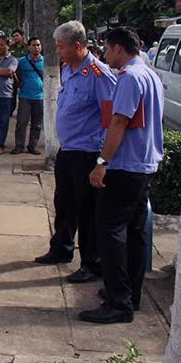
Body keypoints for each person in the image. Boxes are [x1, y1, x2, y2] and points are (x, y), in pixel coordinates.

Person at [79, 27, 164, 324]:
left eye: (107, 49)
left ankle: (119, 302)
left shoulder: (129, 77)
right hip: (143, 165)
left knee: (110, 231)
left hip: (125, 166)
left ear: (117, 48)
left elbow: (119, 122)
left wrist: (102, 161)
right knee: (135, 233)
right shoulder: (150, 74)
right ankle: (130, 293)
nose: (104, 55)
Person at [34, 21, 117, 286]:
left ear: (77, 45)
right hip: (68, 151)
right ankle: (61, 248)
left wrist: (102, 160)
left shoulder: (98, 74)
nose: (56, 51)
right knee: (64, 203)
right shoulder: (69, 69)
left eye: (60, 46)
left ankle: (91, 263)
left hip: (88, 153)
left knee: (87, 210)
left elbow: (111, 120)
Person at [12, 37, 44, 155]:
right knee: (22, 122)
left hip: (40, 97)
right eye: (34, 45)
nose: (36, 47)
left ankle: (32, 146)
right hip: (25, 96)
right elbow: (15, 75)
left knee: (37, 124)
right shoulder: (22, 61)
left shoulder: (45, 61)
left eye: (38, 45)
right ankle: (19, 146)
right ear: (28, 47)